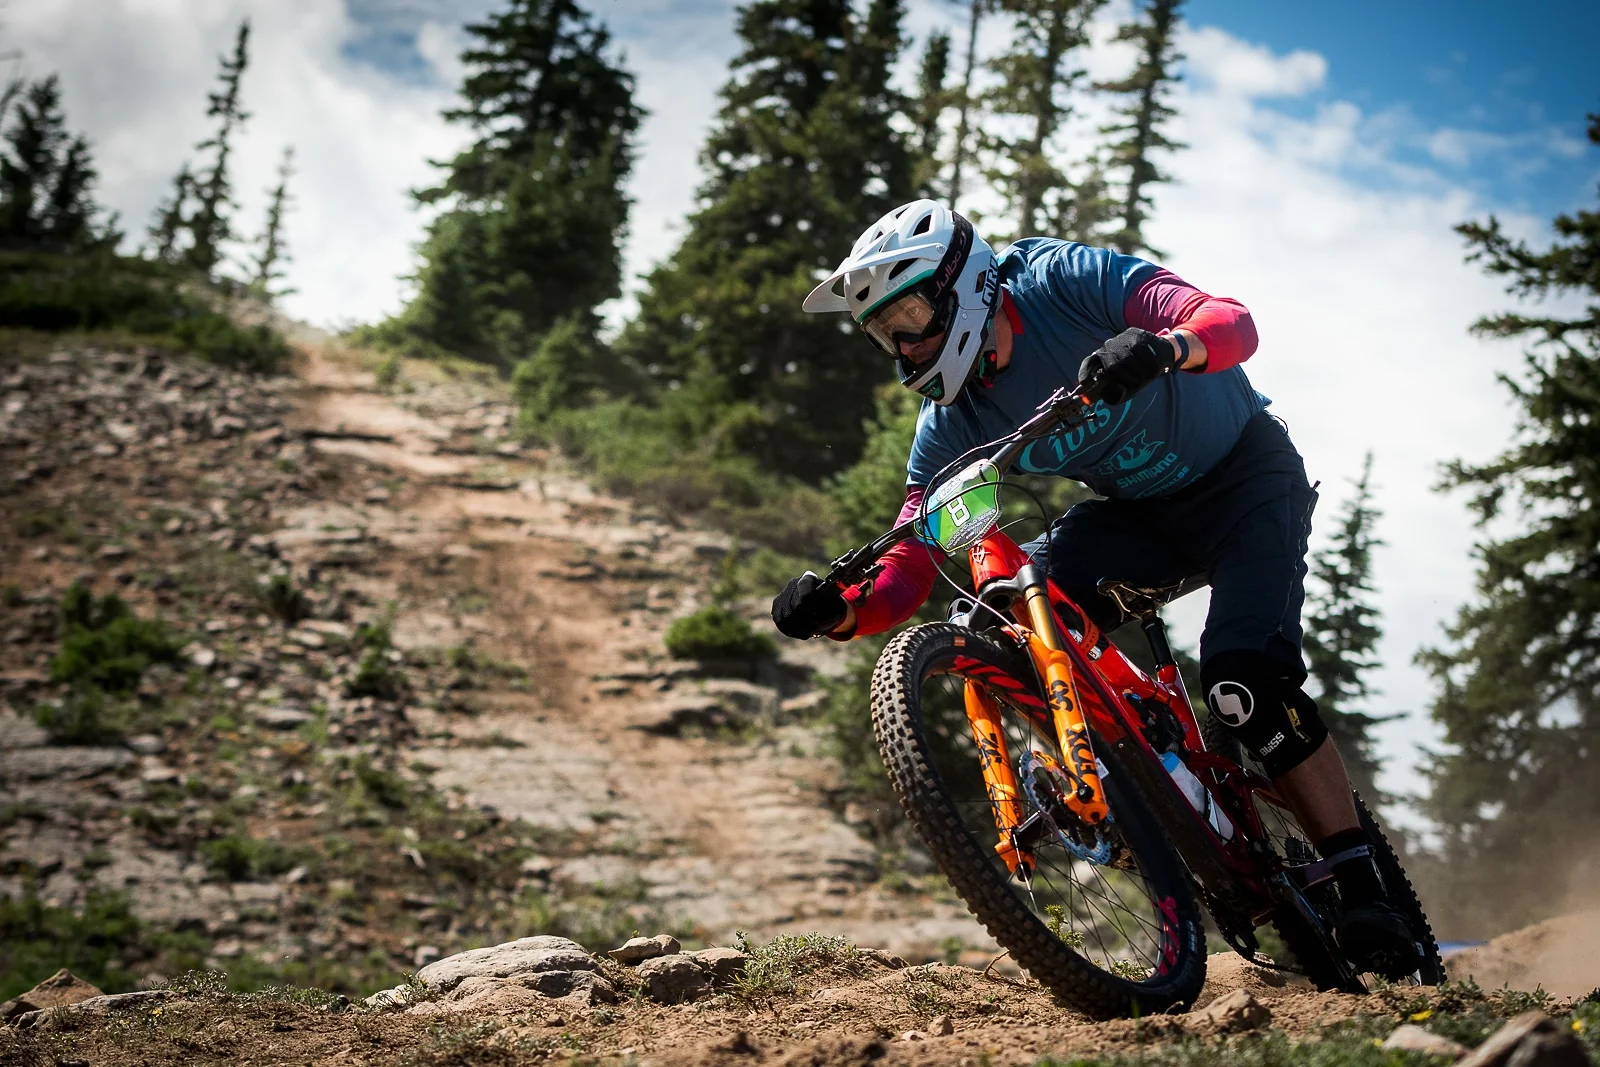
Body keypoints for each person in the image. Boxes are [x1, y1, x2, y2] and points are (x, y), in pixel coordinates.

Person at [770, 198, 1422, 979]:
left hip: (1247, 479)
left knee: (1243, 681)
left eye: (909, 317)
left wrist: (1165, 346)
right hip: (1139, 518)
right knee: (997, 612)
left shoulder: (1060, 280)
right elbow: (912, 554)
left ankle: (1361, 882)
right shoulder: (951, 423)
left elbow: (1232, 321)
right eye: (884, 333)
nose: (904, 346)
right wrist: (840, 611)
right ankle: (1127, 777)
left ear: (963, 285)